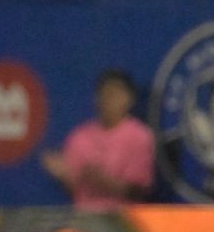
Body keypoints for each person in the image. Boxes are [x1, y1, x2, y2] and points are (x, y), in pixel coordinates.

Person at [42, 70, 155, 213]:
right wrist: (64, 175)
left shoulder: (140, 136)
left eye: (114, 94)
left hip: (125, 222)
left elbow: (139, 191)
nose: (107, 99)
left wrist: (104, 181)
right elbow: (76, 190)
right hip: (87, 221)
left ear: (129, 99)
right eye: (104, 93)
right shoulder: (80, 136)